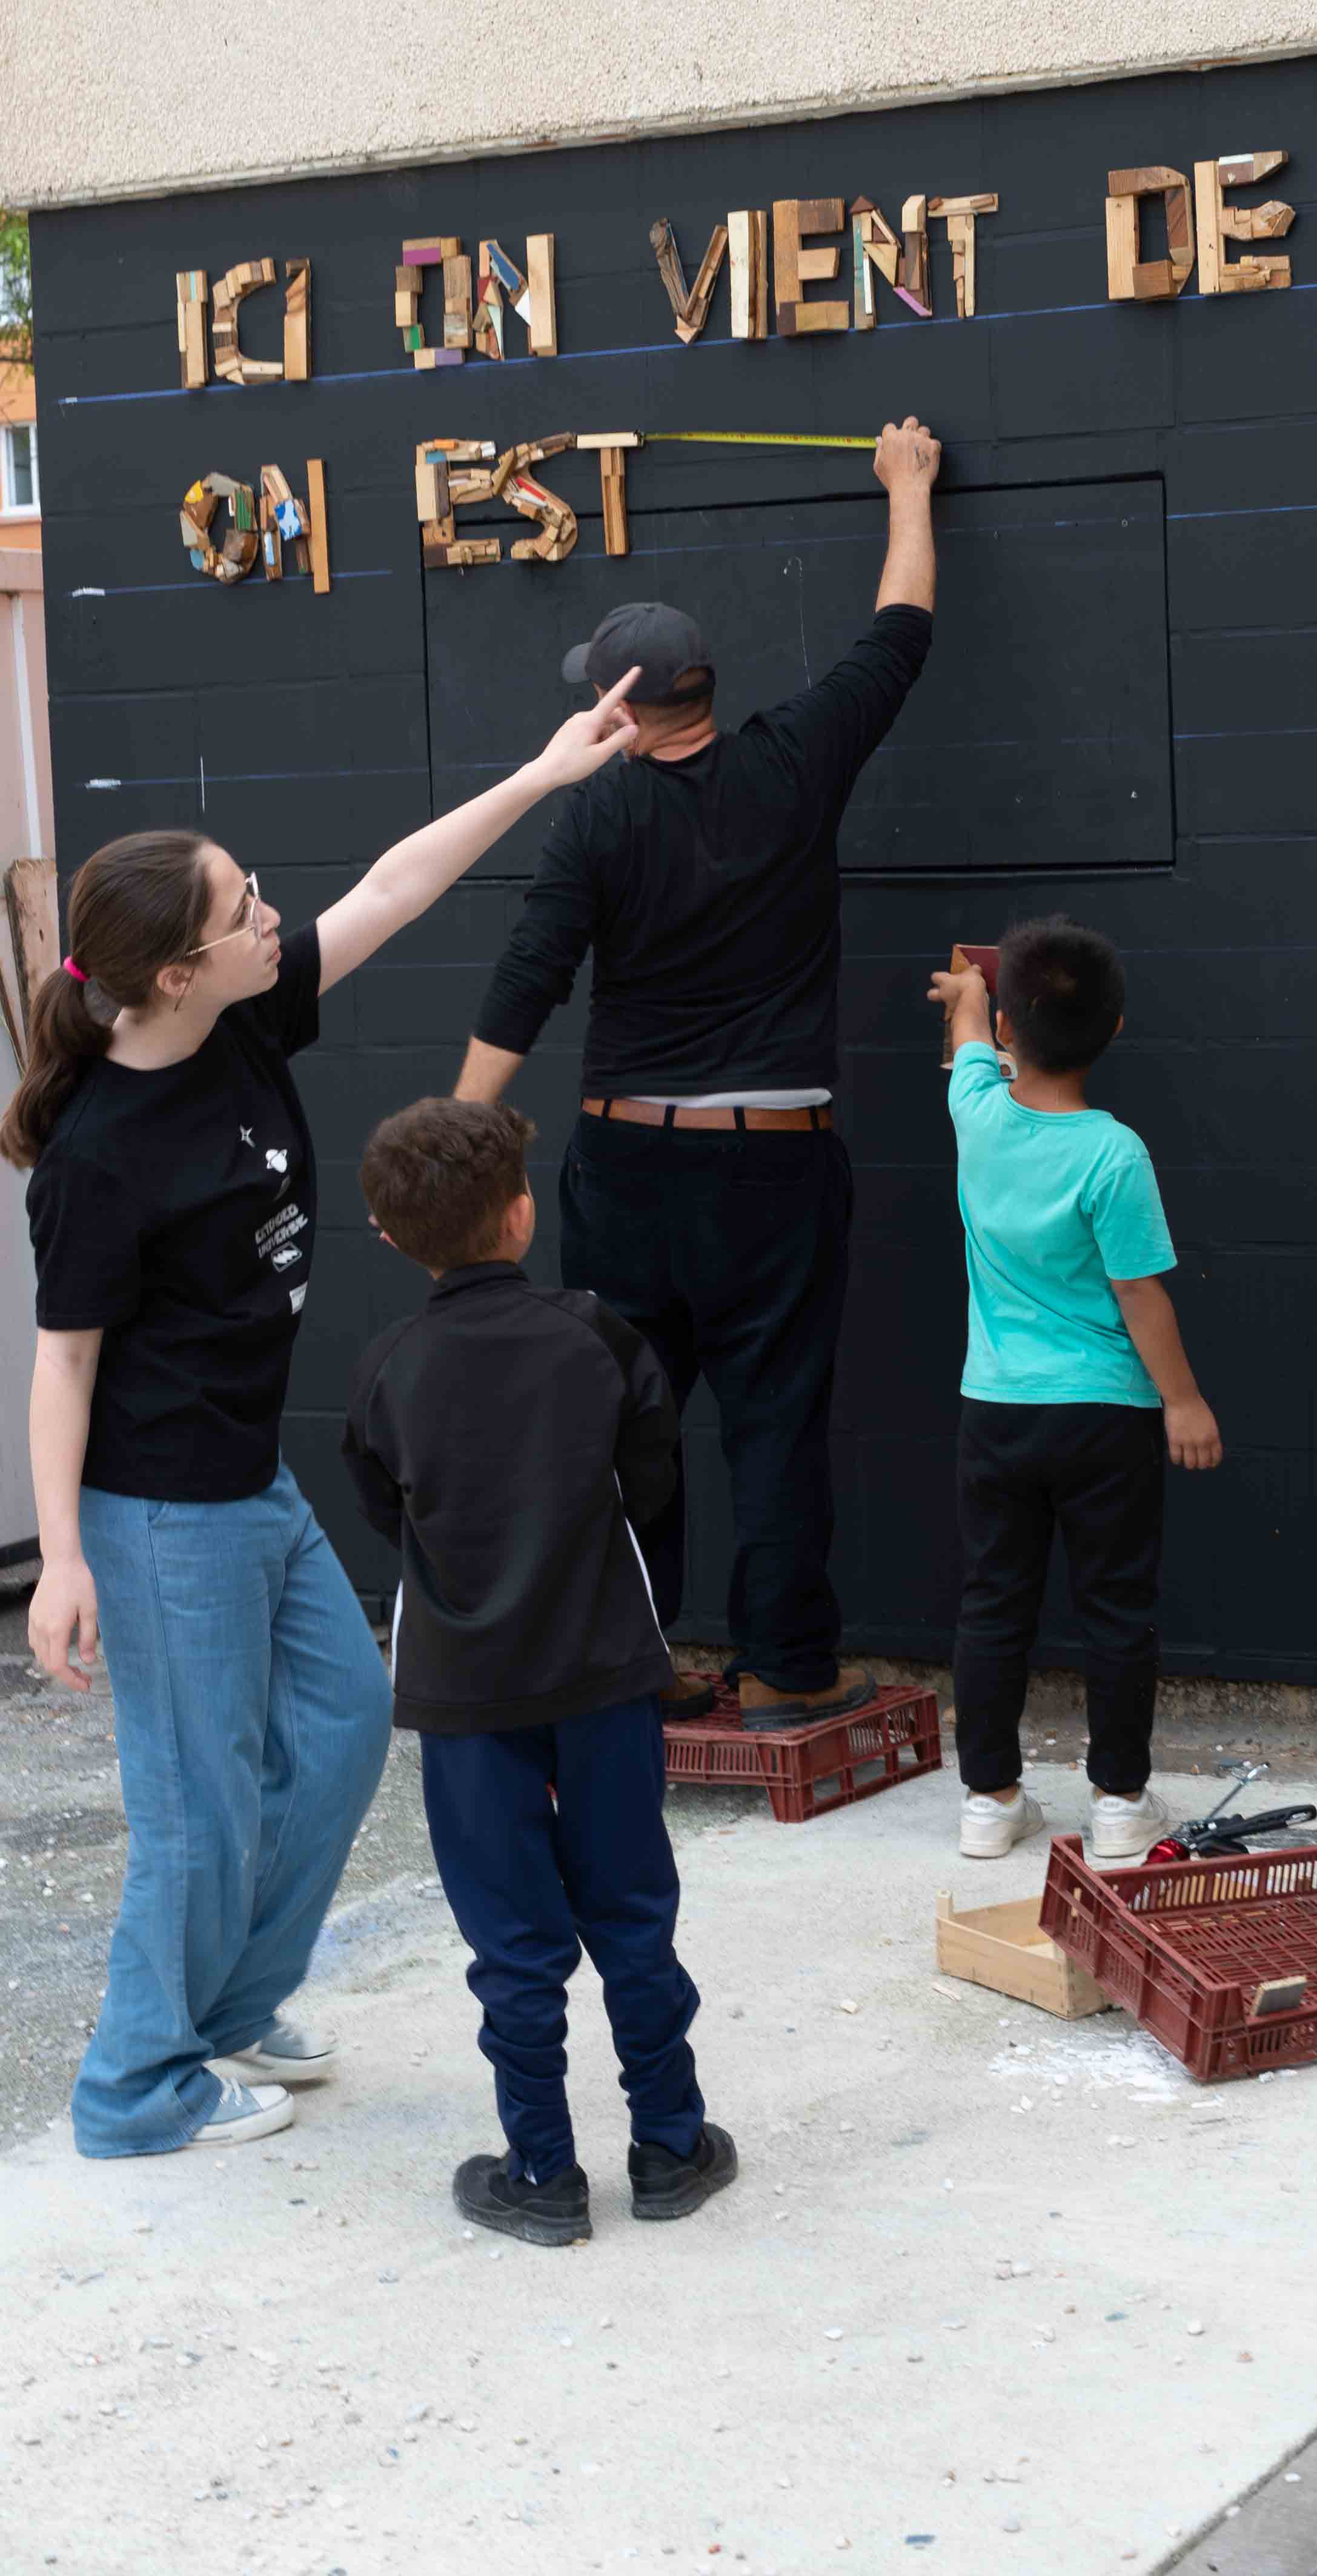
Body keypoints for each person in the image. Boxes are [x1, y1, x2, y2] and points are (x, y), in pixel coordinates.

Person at [2, 672, 646, 2156]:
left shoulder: (234, 1023)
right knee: (196, 1800)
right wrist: (67, 1562)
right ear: (170, 973)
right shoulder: (100, 1153)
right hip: (160, 1508)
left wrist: (546, 772)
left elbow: (395, 886)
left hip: (245, 1482)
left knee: (355, 1722)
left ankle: (233, 2002)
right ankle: (133, 2085)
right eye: (239, 909)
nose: (267, 916)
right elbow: (64, 1363)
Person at [453, 416, 943, 1731]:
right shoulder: (795, 759)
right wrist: (907, 484)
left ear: (621, 708)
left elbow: (528, 976)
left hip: (629, 1161)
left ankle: (639, 1664)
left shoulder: (596, 813)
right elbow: (899, 635)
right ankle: (789, 1672)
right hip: (777, 1157)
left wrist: (460, 1129)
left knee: (629, 1422)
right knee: (779, 1419)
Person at [342, 1096, 732, 2247]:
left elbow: (381, 1503)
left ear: (390, 1236)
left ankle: (540, 2172)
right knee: (631, 1910)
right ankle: (669, 2145)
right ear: (521, 1214)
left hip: (464, 1692)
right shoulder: (600, 1337)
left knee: (511, 1938)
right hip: (604, 1667)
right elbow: (651, 1478)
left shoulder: (383, 1370)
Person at [928, 917, 1221, 1864]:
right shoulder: (1114, 1153)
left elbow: (969, 1047)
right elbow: (1139, 1294)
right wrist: (1183, 1400)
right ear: (1117, 1028)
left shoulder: (976, 1111)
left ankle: (988, 1798)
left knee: (992, 1605)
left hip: (997, 1411)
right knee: (1115, 1609)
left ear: (1010, 1025)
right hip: (1106, 1417)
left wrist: (972, 1002)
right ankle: (1119, 1803)